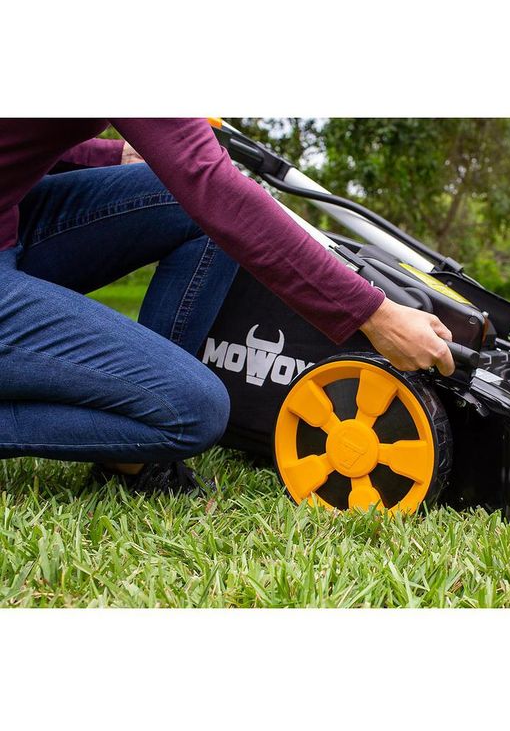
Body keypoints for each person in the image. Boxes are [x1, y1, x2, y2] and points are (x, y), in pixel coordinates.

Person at [0, 119, 454, 493]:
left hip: (17, 221)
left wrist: (107, 154)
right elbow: (210, 185)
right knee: (193, 410)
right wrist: (374, 314)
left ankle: (131, 441)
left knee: (185, 203)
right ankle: (146, 419)